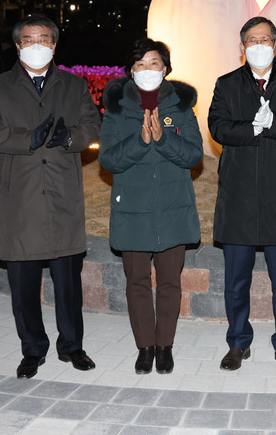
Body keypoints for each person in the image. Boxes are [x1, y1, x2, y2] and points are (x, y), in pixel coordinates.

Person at [0, 14, 101, 379]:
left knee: (68, 286)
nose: (36, 45)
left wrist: (72, 138)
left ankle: (72, 347)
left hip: (62, 197)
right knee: (24, 288)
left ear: (55, 44)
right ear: (17, 45)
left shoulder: (73, 86)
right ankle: (32, 349)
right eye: (28, 39)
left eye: (44, 39)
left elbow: (92, 125)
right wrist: (27, 139)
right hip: (22, 199)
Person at [207, 16, 276, 374]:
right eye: (252, 40)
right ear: (242, 47)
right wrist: (253, 127)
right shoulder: (226, 85)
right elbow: (217, 127)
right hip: (239, 198)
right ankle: (238, 342)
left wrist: (275, 122)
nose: (259, 45)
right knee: (236, 281)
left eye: (265, 39)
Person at [99, 38, 203, 375]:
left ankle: (165, 346)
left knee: (171, 281)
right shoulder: (117, 107)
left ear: (166, 68)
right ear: (131, 70)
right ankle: (145, 346)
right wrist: (140, 142)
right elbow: (109, 160)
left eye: (154, 63)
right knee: (137, 281)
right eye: (140, 64)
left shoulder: (181, 106)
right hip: (133, 209)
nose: (148, 70)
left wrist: (163, 138)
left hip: (173, 207)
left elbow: (193, 155)